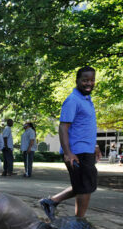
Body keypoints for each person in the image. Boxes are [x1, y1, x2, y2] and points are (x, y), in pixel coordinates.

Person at [40, 66, 102, 220]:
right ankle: (79, 222)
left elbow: (86, 126)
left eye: (92, 80)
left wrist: (95, 145)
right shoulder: (72, 100)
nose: (89, 83)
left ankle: (51, 202)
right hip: (77, 152)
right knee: (85, 188)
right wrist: (68, 153)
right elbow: (63, 127)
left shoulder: (87, 100)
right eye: (85, 80)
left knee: (83, 186)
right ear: (77, 81)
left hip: (86, 149)